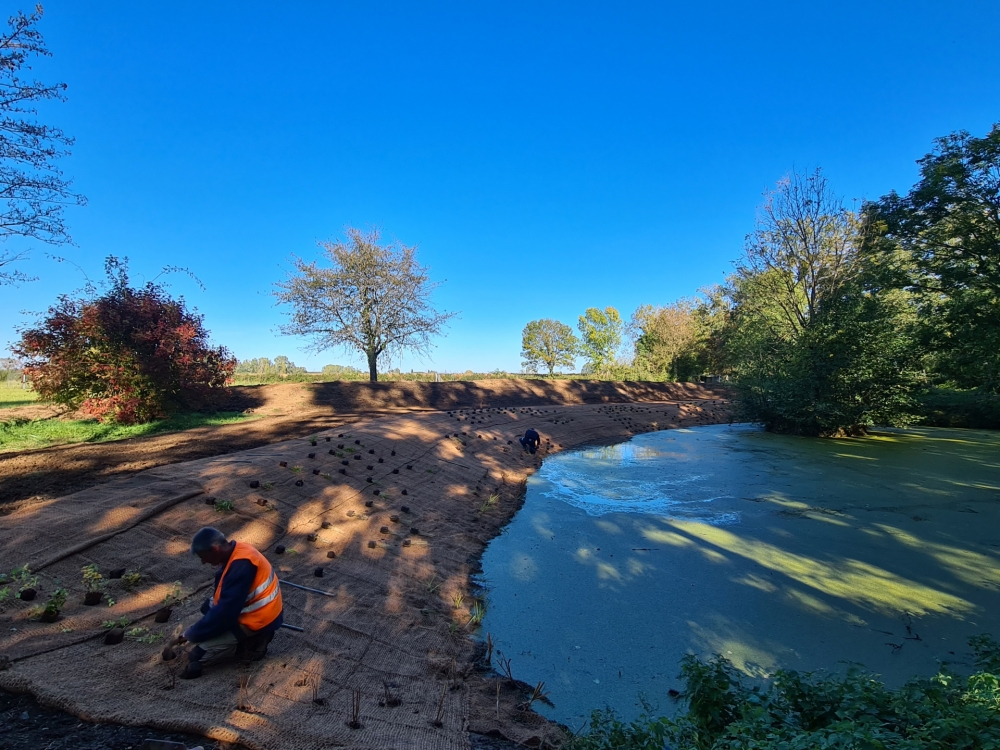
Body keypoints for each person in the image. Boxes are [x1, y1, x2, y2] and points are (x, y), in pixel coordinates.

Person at [168, 527, 283, 679]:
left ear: (215, 549)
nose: (203, 562)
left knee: (198, 654)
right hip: (249, 608)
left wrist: (192, 634)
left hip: (259, 618)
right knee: (207, 608)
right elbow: (224, 602)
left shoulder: (241, 566)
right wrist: (198, 631)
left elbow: (225, 614)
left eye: (203, 557)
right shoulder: (236, 552)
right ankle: (236, 637)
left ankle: (252, 643)